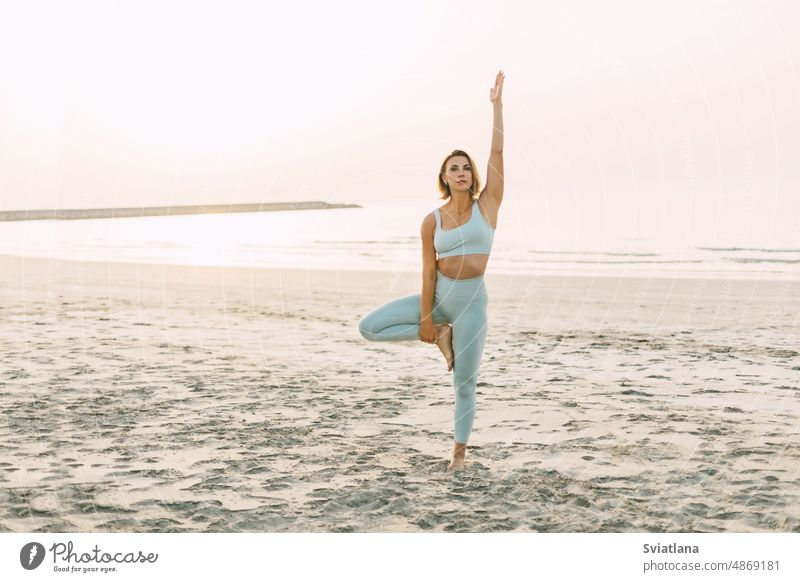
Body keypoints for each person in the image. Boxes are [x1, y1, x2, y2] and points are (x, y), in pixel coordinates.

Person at [358, 70, 505, 472]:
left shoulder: (486, 207)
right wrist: (427, 319)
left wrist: (496, 107)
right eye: (453, 169)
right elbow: (426, 274)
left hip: (472, 304)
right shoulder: (431, 220)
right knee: (369, 327)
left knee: (465, 383)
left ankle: (458, 454)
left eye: (466, 168)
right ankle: (442, 335)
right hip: (440, 297)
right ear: (444, 177)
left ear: (473, 176)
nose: (461, 173)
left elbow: (497, 156)